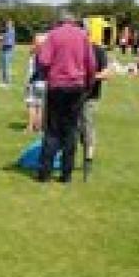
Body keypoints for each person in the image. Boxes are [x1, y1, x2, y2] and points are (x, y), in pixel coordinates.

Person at [37, 11, 97, 183]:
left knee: (52, 130)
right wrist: (88, 83)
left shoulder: (53, 35)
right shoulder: (83, 36)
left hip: (56, 86)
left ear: (59, 22)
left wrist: (47, 74)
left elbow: (44, 60)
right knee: (71, 130)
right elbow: (91, 64)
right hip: (76, 87)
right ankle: (66, 174)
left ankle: (45, 172)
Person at [80, 39, 110, 166]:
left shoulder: (98, 50)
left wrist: (91, 76)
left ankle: (88, 157)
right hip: (71, 94)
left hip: (90, 96)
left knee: (87, 123)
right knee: (74, 126)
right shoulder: (74, 49)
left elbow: (107, 74)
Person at [25, 34, 48, 133]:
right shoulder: (48, 54)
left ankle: (30, 126)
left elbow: (31, 71)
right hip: (45, 82)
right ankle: (39, 127)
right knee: (40, 106)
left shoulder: (34, 54)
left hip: (34, 81)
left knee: (31, 105)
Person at [0, 20, 16, 87]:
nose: (7, 25)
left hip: (7, 51)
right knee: (3, 66)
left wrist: (3, 42)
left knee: (7, 67)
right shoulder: (7, 32)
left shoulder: (11, 32)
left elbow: (9, 43)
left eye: (8, 24)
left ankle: (7, 82)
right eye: (6, 24)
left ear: (11, 24)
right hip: (4, 50)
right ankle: (4, 81)